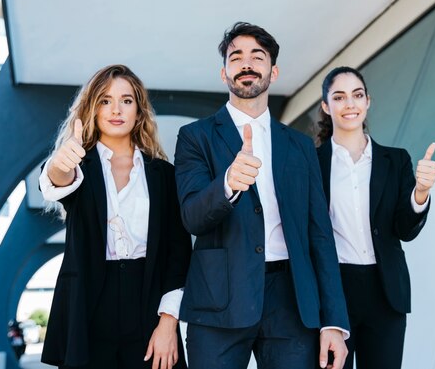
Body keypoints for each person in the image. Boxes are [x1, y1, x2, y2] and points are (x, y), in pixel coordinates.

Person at [174, 22, 350, 369]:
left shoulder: (300, 145)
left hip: (291, 301)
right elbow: (192, 216)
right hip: (218, 301)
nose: (247, 64)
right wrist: (227, 184)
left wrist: (334, 321)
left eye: (258, 56)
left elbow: (320, 233)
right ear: (224, 72)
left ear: (274, 70)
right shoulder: (195, 137)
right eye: (236, 57)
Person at [38, 64, 192, 369]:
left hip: (148, 300)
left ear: (139, 111)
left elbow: (179, 254)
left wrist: (168, 324)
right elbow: (57, 181)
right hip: (89, 303)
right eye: (105, 100)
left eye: (127, 100)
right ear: (92, 109)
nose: (116, 109)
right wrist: (60, 163)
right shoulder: (79, 165)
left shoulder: (164, 175)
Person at [316, 66, 435, 369]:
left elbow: (404, 229)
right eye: (339, 97)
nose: (350, 104)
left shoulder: (396, 160)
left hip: (386, 292)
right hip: (334, 292)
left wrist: (420, 192)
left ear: (368, 101)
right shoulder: (312, 162)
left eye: (357, 95)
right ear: (325, 106)